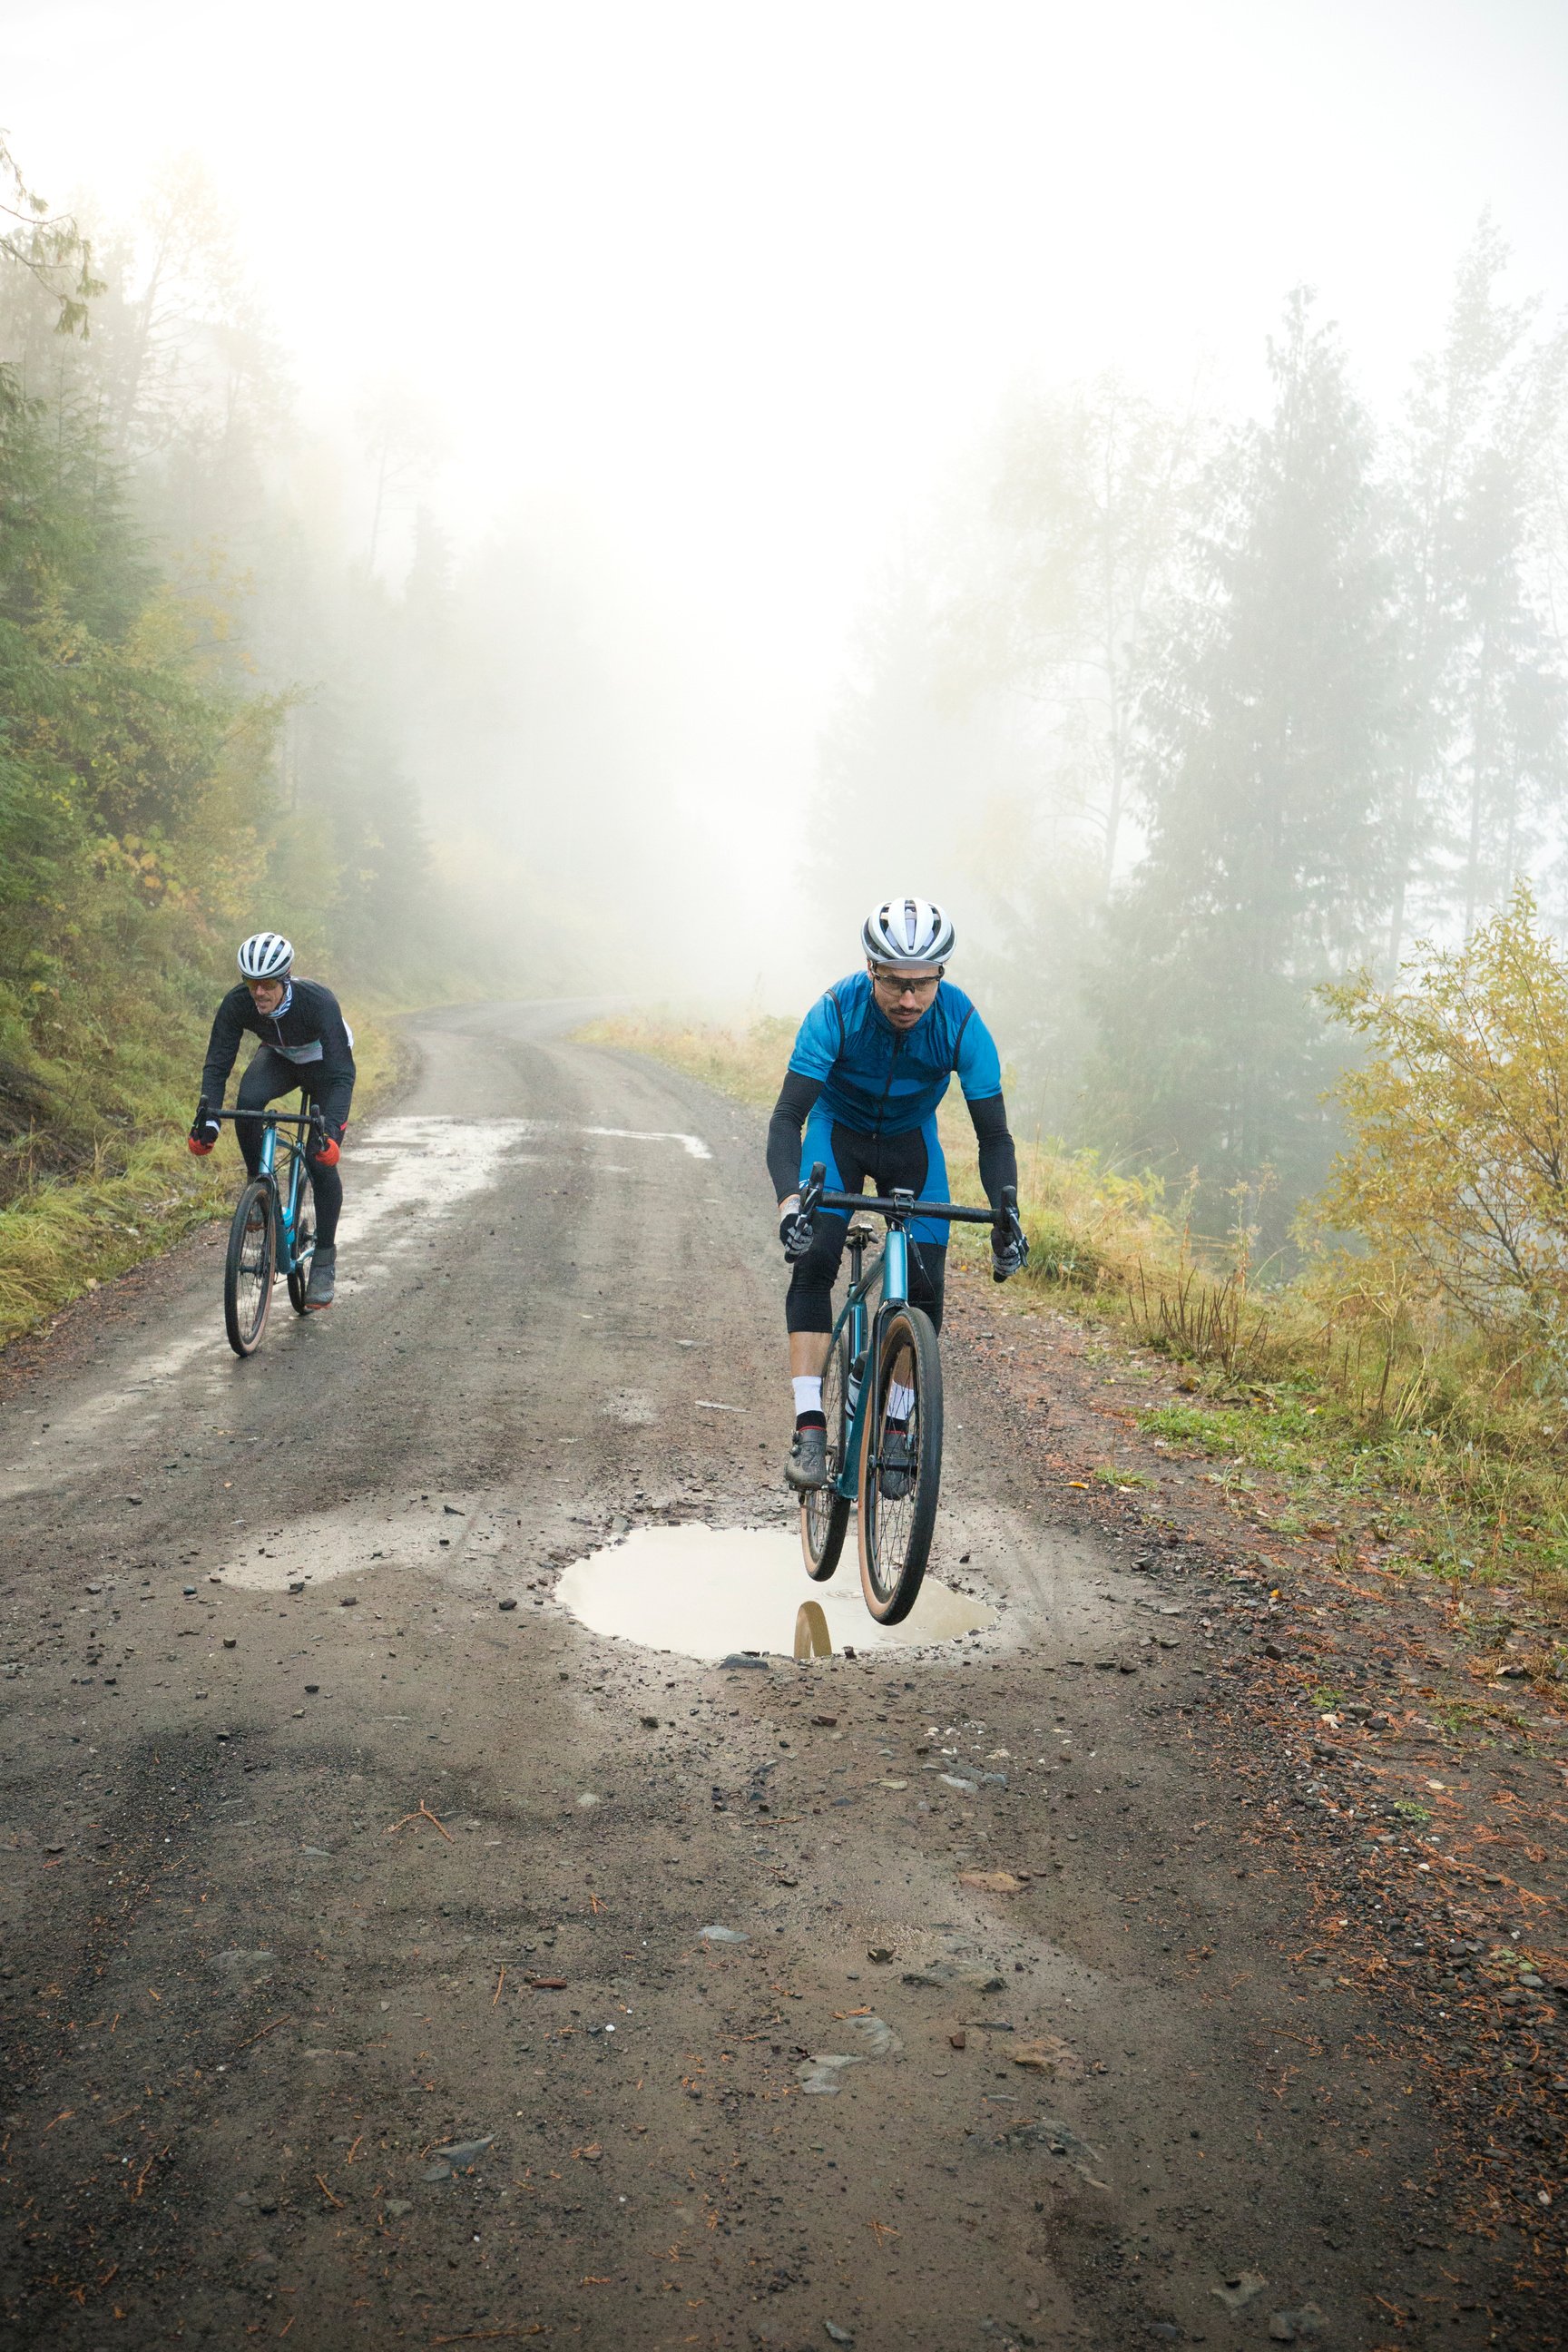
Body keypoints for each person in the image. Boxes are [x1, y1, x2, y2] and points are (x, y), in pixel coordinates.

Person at [769, 896, 1028, 1491]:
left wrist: (1006, 1216)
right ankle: (810, 1429)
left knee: (926, 1284)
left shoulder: (961, 1022)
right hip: (837, 1135)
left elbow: (995, 1137)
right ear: (871, 971)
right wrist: (789, 1204)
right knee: (813, 1260)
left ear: (941, 976)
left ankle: (897, 1420)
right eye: (895, 984)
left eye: (922, 985)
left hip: (911, 1142)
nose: (909, 1000)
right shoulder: (835, 1011)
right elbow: (787, 1121)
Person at [189, 933, 357, 1310]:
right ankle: (259, 1187)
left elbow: (342, 1074)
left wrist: (331, 1132)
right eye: (251, 984)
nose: (258, 993)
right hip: (280, 1058)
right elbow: (217, 1064)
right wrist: (207, 1122)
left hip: (324, 1066)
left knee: (318, 1158)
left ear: (286, 979)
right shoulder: (237, 1004)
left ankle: (325, 1258)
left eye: (266, 985)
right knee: (248, 1102)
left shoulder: (318, 1001)